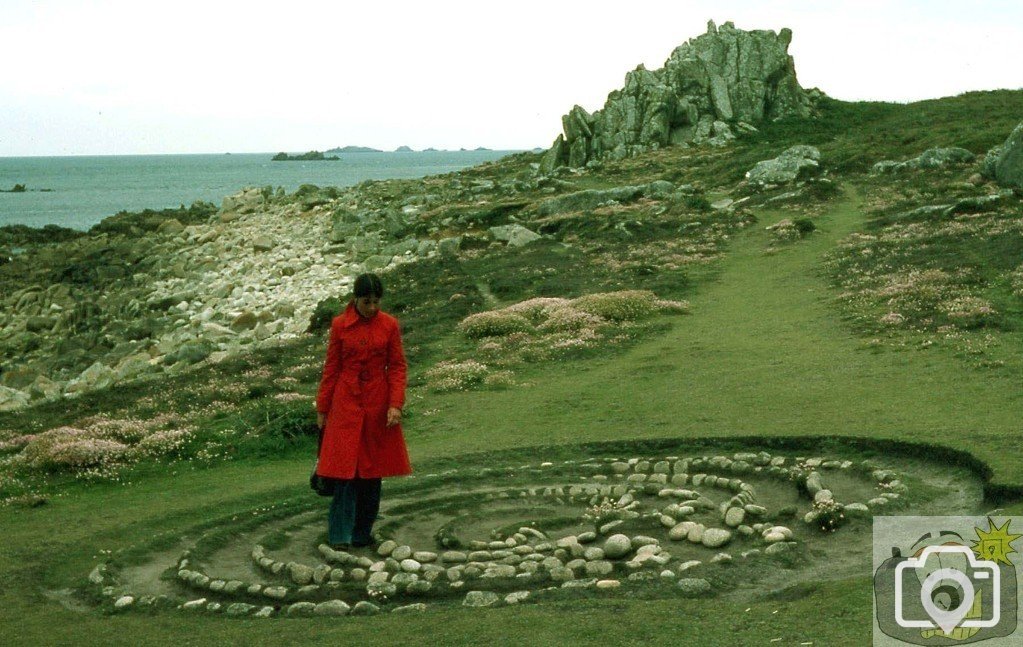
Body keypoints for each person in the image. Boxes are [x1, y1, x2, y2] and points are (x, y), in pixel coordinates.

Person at [314, 273, 412, 550]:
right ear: (355, 298)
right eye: (367, 302)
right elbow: (331, 368)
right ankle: (340, 536)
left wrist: (395, 404)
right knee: (344, 473)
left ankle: (361, 533)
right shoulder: (339, 325)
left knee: (372, 472)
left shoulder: (389, 325)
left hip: (377, 405)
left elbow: (397, 366)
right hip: (345, 403)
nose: (372, 308)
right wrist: (323, 408)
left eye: (376, 302)